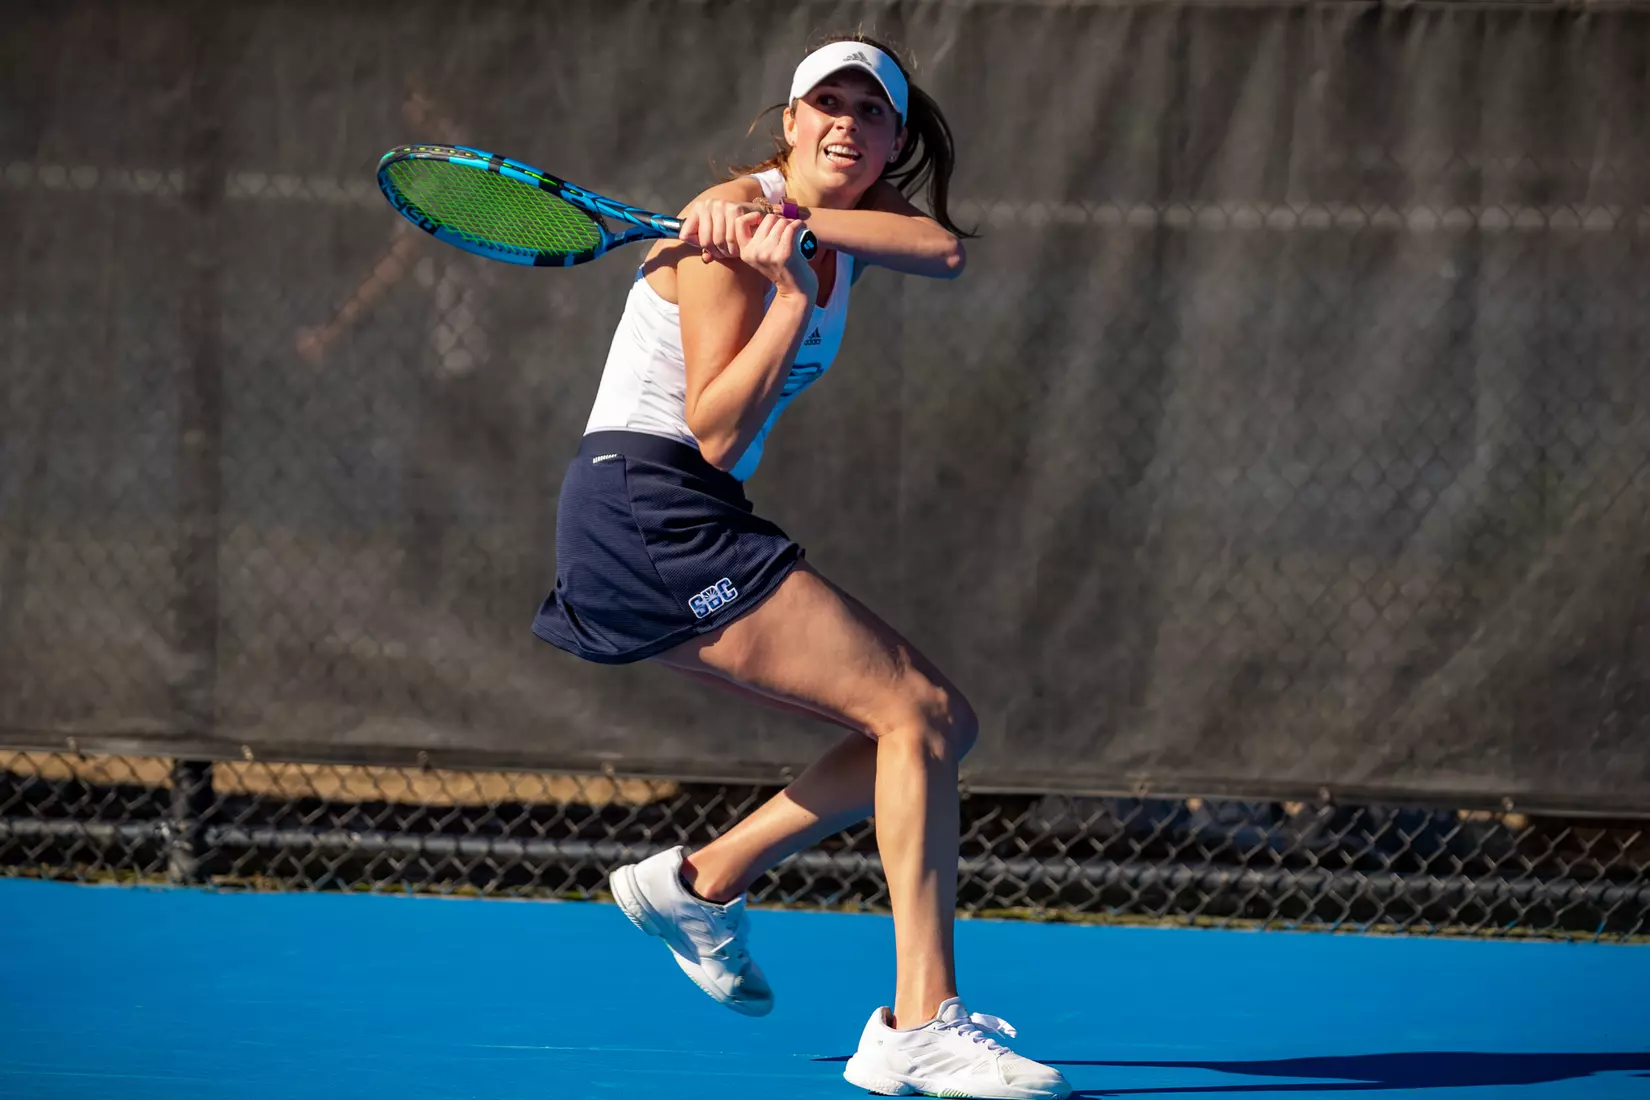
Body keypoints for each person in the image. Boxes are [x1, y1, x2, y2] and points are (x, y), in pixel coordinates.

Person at [531, 33, 1071, 1100]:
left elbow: (943, 248)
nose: (846, 125)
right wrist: (779, 286)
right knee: (915, 715)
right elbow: (717, 431)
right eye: (827, 103)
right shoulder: (725, 225)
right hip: (647, 503)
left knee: (935, 726)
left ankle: (704, 881)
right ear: (789, 122)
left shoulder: (831, 221)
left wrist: (801, 233)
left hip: (683, 510)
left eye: (871, 112)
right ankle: (919, 1024)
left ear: (893, 140)